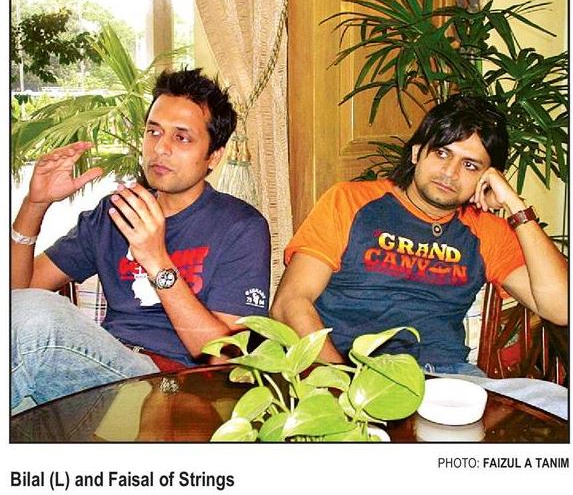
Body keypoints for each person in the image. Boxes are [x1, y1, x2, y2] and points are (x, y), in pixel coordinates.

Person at [11, 68, 271, 411]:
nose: (160, 148)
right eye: (153, 131)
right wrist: (34, 205)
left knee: (38, 322)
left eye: (182, 138)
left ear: (214, 156)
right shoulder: (116, 212)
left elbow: (227, 358)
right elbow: (19, 294)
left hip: (176, 390)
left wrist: (157, 261)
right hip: (101, 372)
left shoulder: (241, 227)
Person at [271, 94, 567, 376]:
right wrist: (339, 382)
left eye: (470, 165)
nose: (450, 172)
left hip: (446, 378)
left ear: (487, 179)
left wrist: (516, 206)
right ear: (416, 153)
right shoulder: (349, 202)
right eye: (442, 153)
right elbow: (290, 302)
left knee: (550, 402)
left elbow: (561, 308)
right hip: (350, 368)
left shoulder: (487, 230)